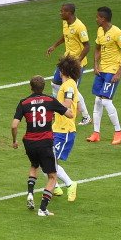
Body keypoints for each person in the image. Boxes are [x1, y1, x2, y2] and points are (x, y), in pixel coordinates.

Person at [11, 75, 74, 217]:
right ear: (43, 87)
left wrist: (14, 141)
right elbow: (69, 114)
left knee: (34, 165)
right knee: (52, 177)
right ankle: (43, 209)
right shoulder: (50, 100)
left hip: (29, 143)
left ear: (30, 87)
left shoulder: (24, 103)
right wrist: (68, 100)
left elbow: (14, 125)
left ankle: (30, 194)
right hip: (45, 143)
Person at [86, 6, 121, 145]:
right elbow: (98, 47)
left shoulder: (117, 32)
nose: (96, 19)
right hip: (102, 70)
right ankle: (96, 133)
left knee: (106, 101)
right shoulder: (100, 30)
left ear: (103, 18)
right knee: (98, 101)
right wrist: (95, 64)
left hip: (112, 70)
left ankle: (118, 132)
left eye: (98, 17)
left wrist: (119, 72)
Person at [46, 3, 92, 126]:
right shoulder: (65, 23)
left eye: (62, 11)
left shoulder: (80, 27)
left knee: (73, 90)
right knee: (55, 84)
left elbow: (87, 46)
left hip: (76, 64)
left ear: (69, 13)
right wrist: (54, 46)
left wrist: (78, 60)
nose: (60, 13)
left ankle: (86, 116)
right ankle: (58, 110)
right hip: (66, 60)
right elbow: (65, 36)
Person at [51, 56, 81, 202]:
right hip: (57, 128)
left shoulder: (69, 85)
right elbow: (78, 105)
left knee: (49, 160)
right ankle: (55, 186)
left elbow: (68, 104)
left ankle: (70, 184)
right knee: (45, 159)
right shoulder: (70, 84)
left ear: (63, 70)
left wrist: (52, 105)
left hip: (64, 131)